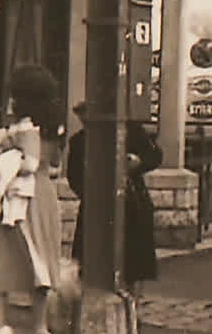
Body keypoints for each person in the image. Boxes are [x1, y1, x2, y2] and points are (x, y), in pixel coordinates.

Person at [0, 65, 66, 334]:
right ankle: (5, 327)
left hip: (27, 200)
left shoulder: (26, 127)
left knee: (29, 260)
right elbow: (55, 166)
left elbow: (30, 164)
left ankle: (35, 331)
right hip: (38, 196)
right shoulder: (52, 127)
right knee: (10, 258)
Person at [66, 101, 163, 288]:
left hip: (132, 204)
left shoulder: (131, 131)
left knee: (133, 266)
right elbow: (74, 177)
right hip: (95, 210)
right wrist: (92, 194)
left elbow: (155, 155)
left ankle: (132, 307)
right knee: (91, 261)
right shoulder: (79, 141)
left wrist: (138, 161)